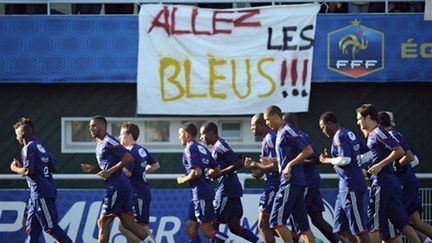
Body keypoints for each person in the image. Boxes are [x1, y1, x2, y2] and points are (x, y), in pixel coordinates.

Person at [80, 115, 155, 243]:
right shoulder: (100, 144)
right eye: (89, 126)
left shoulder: (110, 141)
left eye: (93, 125)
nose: (90, 129)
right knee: (128, 223)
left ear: (102, 126)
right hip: (120, 186)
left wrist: (109, 171)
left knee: (103, 222)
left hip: (117, 187)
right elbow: (108, 166)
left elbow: (128, 158)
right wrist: (94, 168)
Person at [356, 104, 421, 243]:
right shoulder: (372, 135)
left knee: (373, 224)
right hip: (389, 183)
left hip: (382, 183)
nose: (358, 122)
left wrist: (380, 165)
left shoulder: (378, 132)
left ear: (368, 117)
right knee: (401, 223)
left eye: (359, 118)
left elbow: (399, 150)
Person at [10, 117, 72, 243]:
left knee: (50, 228)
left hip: (40, 194)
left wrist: (14, 168)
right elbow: (55, 166)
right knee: (32, 231)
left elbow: (29, 171)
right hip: (40, 194)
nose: (16, 138)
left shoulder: (28, 147)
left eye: (17, 135)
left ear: (22, 134)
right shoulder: (40, 146)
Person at [284, 113, 342, 243]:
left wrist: (293, 162)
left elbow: (311, 157)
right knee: (317, 219)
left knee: (296, 217)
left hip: (305, 182)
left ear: (287, 122)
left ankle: (314, 241)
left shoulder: (293, 135)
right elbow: (316, 158)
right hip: (311, 180)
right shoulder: (303, 135)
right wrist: (320, 158)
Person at [200, 122, 261, 243]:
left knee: (212, 226)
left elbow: (238, 162)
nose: (201, 138)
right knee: (234, 227)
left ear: (211, 133)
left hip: (226, 189)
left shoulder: (219, 145)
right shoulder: (217, 147)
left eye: (203, 134)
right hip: (232, 188)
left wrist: (219, 173)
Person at [263, 105, 315, 243]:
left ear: (275, 116)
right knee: (303, 227)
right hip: (294, 182)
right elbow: (287, 155)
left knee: (275, 221)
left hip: (290, 181)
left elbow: (308, 150)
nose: (266, 123)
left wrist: (290, 165)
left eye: (267, 119)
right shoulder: (280, 132)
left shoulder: (287, 130)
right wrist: (273, 160)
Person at [378, 111, 432, 240]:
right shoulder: (392, 135)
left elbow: (409, 157)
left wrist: (393, 167)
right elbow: (414, 159)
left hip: (404, 184)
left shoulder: (391, 136)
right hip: (408, 182)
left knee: (397, 221)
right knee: (415, 223)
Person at [318, 112, 371, 243]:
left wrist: (327, 160)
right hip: (344, 188)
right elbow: (369, 153)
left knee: (359, 229)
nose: (323, 131)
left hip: (351, 186)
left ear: (330, 123)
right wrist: (355, 162)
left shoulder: (339, 136)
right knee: (340, 227)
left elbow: (346, 159)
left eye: (323, 127)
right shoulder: (349, 133)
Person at [176, 122, 231, 243]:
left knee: (206, 231)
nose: (179, 137)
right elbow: (217, 169)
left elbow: (197, 172)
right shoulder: (203, 149)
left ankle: (228, 241)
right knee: (191, 227)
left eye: (180, 134)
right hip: (201, 192)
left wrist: (182, 179)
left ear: (186, 134)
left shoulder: (190, 148)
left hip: (200, 193)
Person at [118, 122, 160, 243]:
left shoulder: (130, 152)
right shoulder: (141, 149)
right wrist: (142, 171)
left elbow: (127, 173)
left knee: (142, 228)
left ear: (129, 135)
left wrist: (111, 171)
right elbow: (156, 165)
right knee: (124, 226)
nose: (120, 137)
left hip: (137, 194)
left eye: (121, 134)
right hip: (139, 192)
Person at [244, 113, 280, 243]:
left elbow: (277, 165)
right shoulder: (267, 139)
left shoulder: (270, 138)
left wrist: (254, 164)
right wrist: (260, 171)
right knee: (274, 226)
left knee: (263, 225)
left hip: (274, 184)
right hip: (273, 183)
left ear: (261, 125)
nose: (251, 129)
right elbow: (270, 165)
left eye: (253, 125)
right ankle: (309, 240)